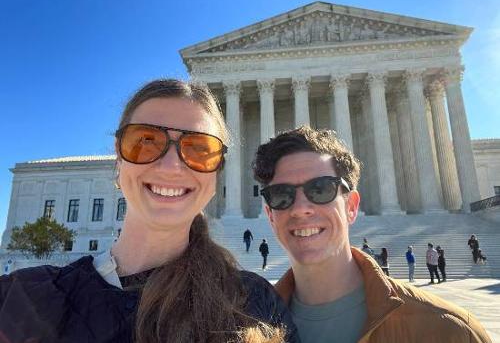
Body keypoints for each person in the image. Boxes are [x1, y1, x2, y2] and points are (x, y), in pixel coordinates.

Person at [0, 79, 299, 343]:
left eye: (199, 148)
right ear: (118, 156)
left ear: (216, 174)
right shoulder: (20, 299)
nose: (171, 167)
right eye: (145, 141)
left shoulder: (257, 305)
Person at [253, 125, 491, 343]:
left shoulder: (452, 333)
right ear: (270, 215)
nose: (300, 209)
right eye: (281, 195)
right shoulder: (241, 330)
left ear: (352, 207)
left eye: (321, 189)